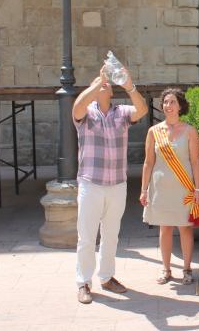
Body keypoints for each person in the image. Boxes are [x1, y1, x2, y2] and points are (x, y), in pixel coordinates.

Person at [72, 66, 148, 304]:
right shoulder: (86, 114)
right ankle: (83, 282)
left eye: (107, 83)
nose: (104, 84)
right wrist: (97, 83)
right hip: (90, 183)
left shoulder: (122, 112)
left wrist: (129, 86)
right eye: (98, 82)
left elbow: (142, 109)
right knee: (86, 237)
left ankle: (106, 277)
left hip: (117, 184)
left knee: (111, 235)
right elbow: (76, 107)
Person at [140, 88, 199, 285]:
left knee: (185, 228)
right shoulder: (154, 132)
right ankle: (166, 269)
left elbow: (195, 162)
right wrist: (143, 189)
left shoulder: (190, 131)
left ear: (180, 106)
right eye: (165, 102)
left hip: (184, 188)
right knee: (164, 228)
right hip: (160, 189)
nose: (168, 105)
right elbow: (148, 162)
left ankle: (186, 269)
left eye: (172, 102)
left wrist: (198, 189)